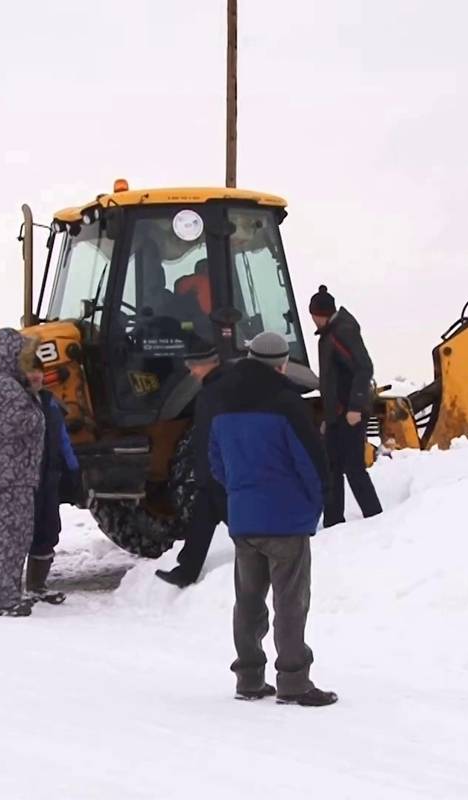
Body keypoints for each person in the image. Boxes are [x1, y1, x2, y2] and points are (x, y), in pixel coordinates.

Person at [208, 331, 338, 707]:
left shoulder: (223, 402)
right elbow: (310, 463)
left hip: (244, 519)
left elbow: (216, 462)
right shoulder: (286, 403)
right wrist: (315, 502)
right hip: (285, 519)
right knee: (290, 602)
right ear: (282, 364)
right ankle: (294, 682)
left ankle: (249, 678)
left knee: (248, 601)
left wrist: (240, 493)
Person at [0, 328, 45, 617]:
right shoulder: (5, 386)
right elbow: (14, 424)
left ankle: (5, 595)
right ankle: (2, 600)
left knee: (5, 536)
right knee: (12, 537)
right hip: (11, 474)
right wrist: (37, 413)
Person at [155, 341, 229, 587]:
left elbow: (221, 434)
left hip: (221, 471)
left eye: (194, 365)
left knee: (240, 524)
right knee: (203, 518)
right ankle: (186, 570)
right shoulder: (210, 389)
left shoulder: (219, 390)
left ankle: (265, 559)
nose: (191, 371)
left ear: (209, 363)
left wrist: (216, 468)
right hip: (211, 470)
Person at [309, 284, 383, 526]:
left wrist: (354, 408)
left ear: (320, 314)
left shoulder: (343, 332)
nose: (313, 321)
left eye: (313, 316)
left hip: (350, 414)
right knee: (331, 469)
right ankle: (333, 522)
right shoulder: (330, 335)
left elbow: (364, 367)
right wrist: (328, 418)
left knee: (353, 468)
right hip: (337, 415)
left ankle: (376, 518)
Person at [26, 356, 81, 605]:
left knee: (49, 530)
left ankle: (37, 585)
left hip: (49, 477)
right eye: (30, 371)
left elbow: (62, 439)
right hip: (25, 480)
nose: (35, 376)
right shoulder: (17, 404)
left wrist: (73, 469)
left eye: (38, 371)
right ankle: (8, 588)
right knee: (22, 532)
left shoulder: (50, 403)